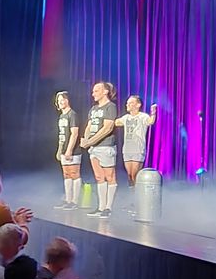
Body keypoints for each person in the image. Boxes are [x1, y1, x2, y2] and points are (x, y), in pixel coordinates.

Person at [80, 82, 118, 218]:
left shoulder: (110, 107)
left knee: (110, 177)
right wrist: (86, 139)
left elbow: (107, 128)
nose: (93, 94)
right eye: (93, 91)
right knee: (99, 177)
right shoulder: (93, 109)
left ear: (105, 91)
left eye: (96, 91)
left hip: (106, 146)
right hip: (94, 148)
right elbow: (89, 126)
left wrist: (91, 141)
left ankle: (108, 208)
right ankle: (101, 207)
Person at [115, 95, 157, 188]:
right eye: (127, 103)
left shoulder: (143, 116)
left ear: (138, 105)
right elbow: (116, 122)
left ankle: (137, 193)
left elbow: (151, 121)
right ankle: (132, 192)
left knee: (135, 175)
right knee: (130, 175)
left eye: (131, 103)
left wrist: (153, 112)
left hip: (138, 149)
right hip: (127, 149)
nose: (127, 105)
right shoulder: (126, 117)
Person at [53, 91, 82, 210]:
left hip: (73, 151)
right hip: (64, 149)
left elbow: (74, 133)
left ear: (68, 100)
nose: (61, 102)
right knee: (66, 175)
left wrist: (69, 150)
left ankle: (75, 201)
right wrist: (60, 151)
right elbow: (61, 135)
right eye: (59, 100)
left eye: (63, 99)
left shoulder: (72, 115)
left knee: (74, 174)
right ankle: (68, 200)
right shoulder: (62, 116)